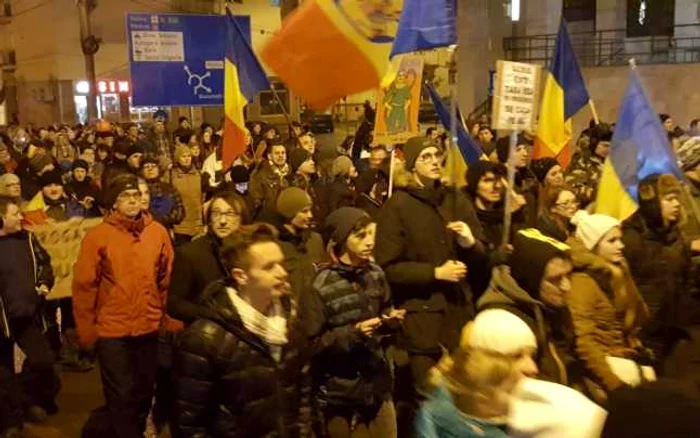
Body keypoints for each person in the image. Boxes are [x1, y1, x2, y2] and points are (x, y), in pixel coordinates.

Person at [375, 136, 487, 428]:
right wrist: (434, 273)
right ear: (411, 166)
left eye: (437, 155)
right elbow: (388, 267)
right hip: (423, 326)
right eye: (425, 156)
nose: (435, 161)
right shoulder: (397, 206)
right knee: (430, 403)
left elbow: (480, 258)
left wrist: (469, 242)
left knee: (466, 398)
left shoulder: (454, 198)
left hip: (460, 315)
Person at [170, 223, 313, 437]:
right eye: (268, 267)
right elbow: (190, 424)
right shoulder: (205, 338)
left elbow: (303, 400)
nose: (282, 273)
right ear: (241, 276)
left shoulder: (291, 324)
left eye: (281, 264)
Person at [73, 173, 174, 438]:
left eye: (136, 195)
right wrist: (86, 331)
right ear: (114, 202)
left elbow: (166, 278)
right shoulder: (98, 236)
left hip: (148, 326)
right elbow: (85, 286)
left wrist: (167, 318)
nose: (132, 200)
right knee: (122, 395)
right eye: (124, 196)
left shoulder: (158, 232)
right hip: (112, 331)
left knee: (143, 392)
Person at [302, 208, 404, 437]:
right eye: (361, 236)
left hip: (376, 384)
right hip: (339, 394)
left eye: (371, 234)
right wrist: (353, 334)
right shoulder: (321, 285)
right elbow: (311, 344)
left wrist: (390, 321)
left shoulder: (375, 274)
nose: (369, 242)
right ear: (341, 239)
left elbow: (385, 307)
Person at [477, 229, 581, 386]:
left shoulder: (552, 306)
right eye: (555, 279)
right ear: (531, 277)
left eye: (568, 275)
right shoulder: (502, 322)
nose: (567, 286)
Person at [567, 211, 651, 403]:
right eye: (611, 241)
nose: (620, 246)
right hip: (606, 375)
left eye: (620, 239)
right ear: (594, 246)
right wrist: (615, 385)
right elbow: (584, 343)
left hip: (624, 359)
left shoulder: (617, 272)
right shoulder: (583, 281)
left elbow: (638, 315)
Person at [622, 174, 700, 376]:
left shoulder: (676, 237)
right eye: (668, 199)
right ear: (652, 202)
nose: (676, 204)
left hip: (675, 329)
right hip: (646, 333)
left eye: (677, 198)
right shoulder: (631, 238)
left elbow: (685, 279)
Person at [416, 309, 539, 438]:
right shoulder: (437, 423)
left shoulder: (541, 418)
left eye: (532, 356)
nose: (533, 368)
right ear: (480, 368)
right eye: (516, 356)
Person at [0, 196, 59, 435]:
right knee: (3, 375)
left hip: (29, 316)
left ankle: (28, 399)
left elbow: (45, 263)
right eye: (15, 214)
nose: (20, 218)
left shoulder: (28, 238)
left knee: (43, 360)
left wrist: (44, 281)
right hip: (2, 321)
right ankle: (10, 421)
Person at [167, 191, 251, 325]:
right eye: (216, 213)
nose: (222, 221)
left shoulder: (251, 252)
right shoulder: (190, 254)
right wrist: (209, 315)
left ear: (242, 218)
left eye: (230, 214)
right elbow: (173, 303)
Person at [274, 187, 326, 299]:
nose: (310, 215)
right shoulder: (276, 246)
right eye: (304, 211)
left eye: (310, 210)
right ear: (289, 213)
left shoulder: (314, 240)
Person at [566, 123, 612, 207]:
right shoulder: (581, 161)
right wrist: (600, 193)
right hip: (585, 210)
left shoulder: (610, 161)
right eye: (605, 146)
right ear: (594, 144)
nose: (608, 149)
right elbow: (573, 187)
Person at [168, 145, 203, 246]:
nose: (187, 159)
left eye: (189, 156)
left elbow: (202, 198)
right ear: (178, 158)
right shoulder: (171, 176)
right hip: (180, 226)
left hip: (197, 225)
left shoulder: (198, 175)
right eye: (183, 156)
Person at [141, 155, 185, 231]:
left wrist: (162, 219)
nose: (150, 169)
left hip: (166, 230)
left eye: (153, 166)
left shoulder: (169, 188)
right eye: (146, 166)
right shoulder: (138, 189)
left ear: (159, 169)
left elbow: (180, 212)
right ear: (141, 170)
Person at [248, 142, 290, 219]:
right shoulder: (259, 174)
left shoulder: (290, 173)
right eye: (277, 153)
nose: (280, 155)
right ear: (269, 156)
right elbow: (255, 201)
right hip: (270, 218)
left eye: (283, 153)